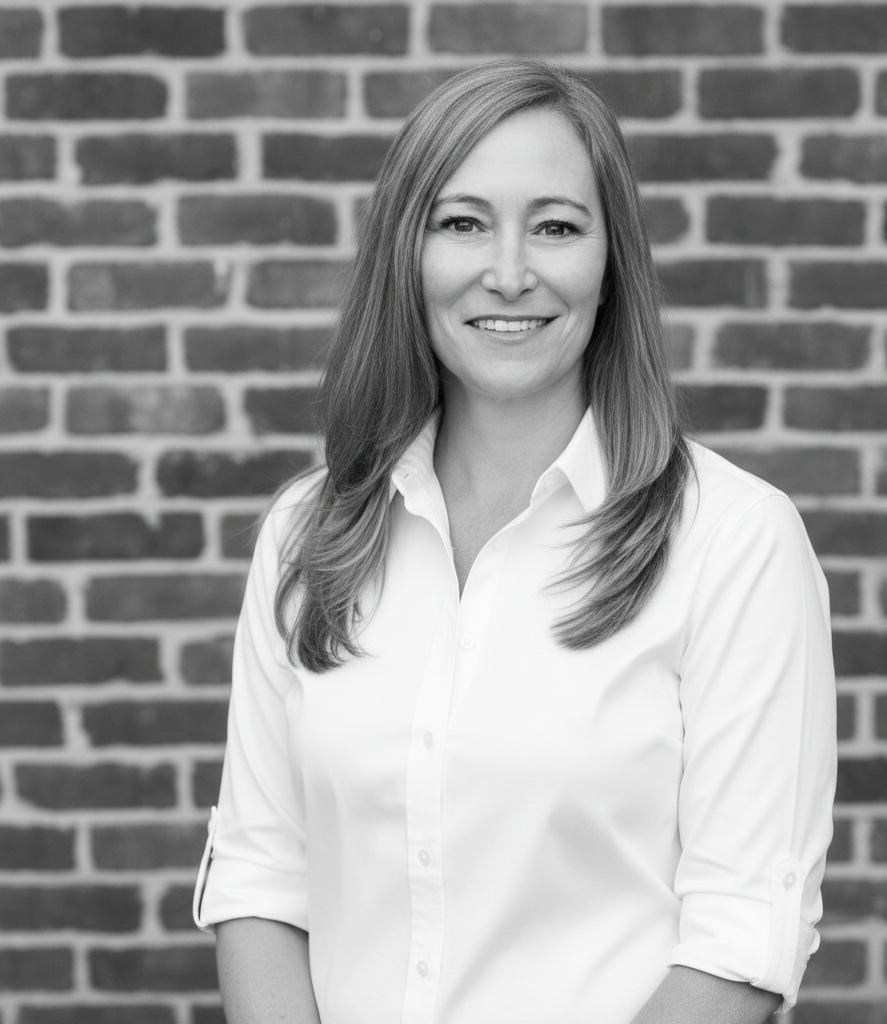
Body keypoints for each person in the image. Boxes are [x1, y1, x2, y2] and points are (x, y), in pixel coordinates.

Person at [193, 58, 837, 1024]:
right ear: (406, 255)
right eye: (462, 223)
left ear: (611, 260)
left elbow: (741, 939)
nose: (508, 272)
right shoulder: (307, 532)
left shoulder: (735, 542)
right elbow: (260, 875)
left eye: (556, 226)